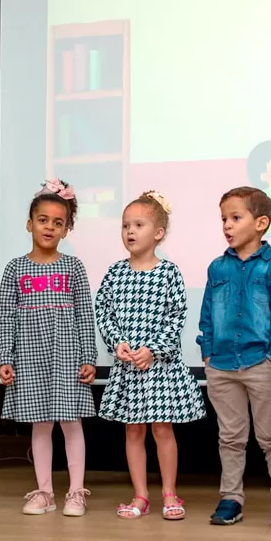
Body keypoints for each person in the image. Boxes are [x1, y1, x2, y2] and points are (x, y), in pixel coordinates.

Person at [95, 191, 207, 521]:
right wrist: (117, 343)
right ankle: (140, 495)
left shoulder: (169, 272)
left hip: (160, 369)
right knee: (133, 431)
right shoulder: (115, 273)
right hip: (129, 367)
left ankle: (170, 493)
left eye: (139, 224)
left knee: (162, 429)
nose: (130, 231)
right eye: (125, 225)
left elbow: (176, 315)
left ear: (158, 233)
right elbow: (103, 310)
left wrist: (153, 350)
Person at [197, 187, 271, 528]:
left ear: (261, 223)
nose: (227, 224)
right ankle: (231, 498)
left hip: (261, 363)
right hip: (222, 366)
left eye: (236, 217)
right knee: (230, 437)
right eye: (224, 218)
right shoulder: (217, 267)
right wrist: (207, 354)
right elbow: (207, 315)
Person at [0, 179, 97, 517]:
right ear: (29, 223)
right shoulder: (14, 269)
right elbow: (6, 317)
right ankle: (44, 492)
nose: (49, 227)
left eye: (58, 222)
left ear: (66, 229)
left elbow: (85, 314)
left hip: (66, 357)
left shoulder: (73, 267)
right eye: (43, 220)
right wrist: (4, 358)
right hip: (28, 357)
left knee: (71, 422)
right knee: (40, 424)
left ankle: (75, 492)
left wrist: (88, 357)